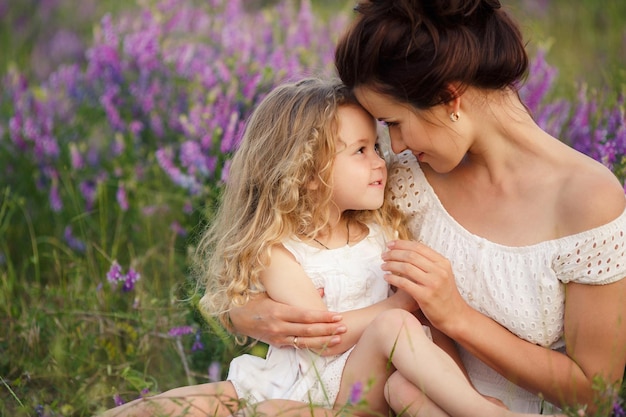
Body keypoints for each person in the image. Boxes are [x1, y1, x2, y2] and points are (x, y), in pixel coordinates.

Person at [228, 0, 626, 415]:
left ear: (448, 97)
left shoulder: (588, 199)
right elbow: (279, 237)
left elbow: (594, 395)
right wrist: (248, 314)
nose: (393, 148)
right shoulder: (401, 179)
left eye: (394, 123)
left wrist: (457, 317)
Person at [98, 78, 559, 417]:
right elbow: (325, 337)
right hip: (311, 387)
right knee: (156, 410)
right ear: (305, 170)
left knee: (407, 379)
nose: (382, 162)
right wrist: (401, 305)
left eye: (375, 148)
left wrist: (412, 315)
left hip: (367, 389)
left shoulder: (382, 231)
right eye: (360, 151)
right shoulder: (277, 251)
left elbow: (429, 333)